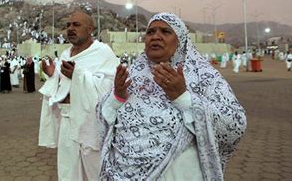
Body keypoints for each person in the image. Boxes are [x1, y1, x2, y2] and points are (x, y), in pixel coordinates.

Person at [97, 13, 247, 180]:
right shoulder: (132, 74)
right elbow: (103, 115)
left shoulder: (203, 76)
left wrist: (183, 97)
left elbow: (235, 124)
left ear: (181, 40)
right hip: (121, 171)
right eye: (151, 32)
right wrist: (117, 96)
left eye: (165, 31)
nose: (156, 36)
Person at [38, 11, 119, 181]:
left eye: (76, 25)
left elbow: (111, 88)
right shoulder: (66, 54)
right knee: (69, 171)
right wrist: (53, 75)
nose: (70, 29)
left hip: (91, 122)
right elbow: (62, 86)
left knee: (96, 171)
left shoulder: (102, 52)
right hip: (67, 120)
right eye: (68, 25)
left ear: (90, 29)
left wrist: (79, 74)